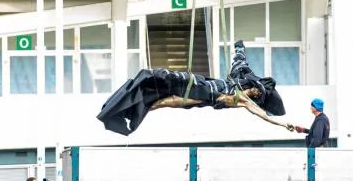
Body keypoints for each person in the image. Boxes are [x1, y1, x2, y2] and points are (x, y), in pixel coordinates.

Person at [98, 40, 287, 135]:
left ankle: (129, 112)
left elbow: (262, 115)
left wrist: (285, 125)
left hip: (199, 96)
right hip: (199, 84)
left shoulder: (244, 101)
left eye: (258, 93)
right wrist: (240, 48)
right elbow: (239, 61)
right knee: (160, 77)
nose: (256, 91)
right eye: (257, 89)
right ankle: (131, 97)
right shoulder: (238, 80)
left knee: (159, 103)